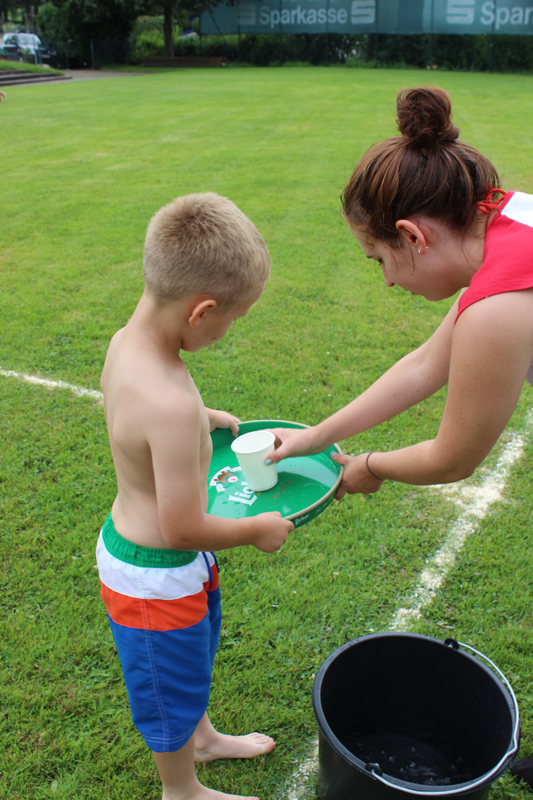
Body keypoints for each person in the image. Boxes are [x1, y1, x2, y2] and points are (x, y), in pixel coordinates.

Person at [266, 86, 533, 789]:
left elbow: (454, 456)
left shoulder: (500, 308)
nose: (385, 282)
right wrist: (316, 437)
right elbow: (424, 365)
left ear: (413, 236)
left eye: (378, 260)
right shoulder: (503, 214)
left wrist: (370, 467)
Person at [96, 192, 294, 800]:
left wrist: (204, 418)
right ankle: (181, 790)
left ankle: (202, 738)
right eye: (233, 319)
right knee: (167, 690)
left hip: (171, 564)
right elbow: (182, 526)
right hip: (155, 575)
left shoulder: (127, 343)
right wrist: (257, 529)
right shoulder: (169, 406)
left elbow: (136, 412)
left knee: (191, 659)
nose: (229, 330)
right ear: (202, 311)